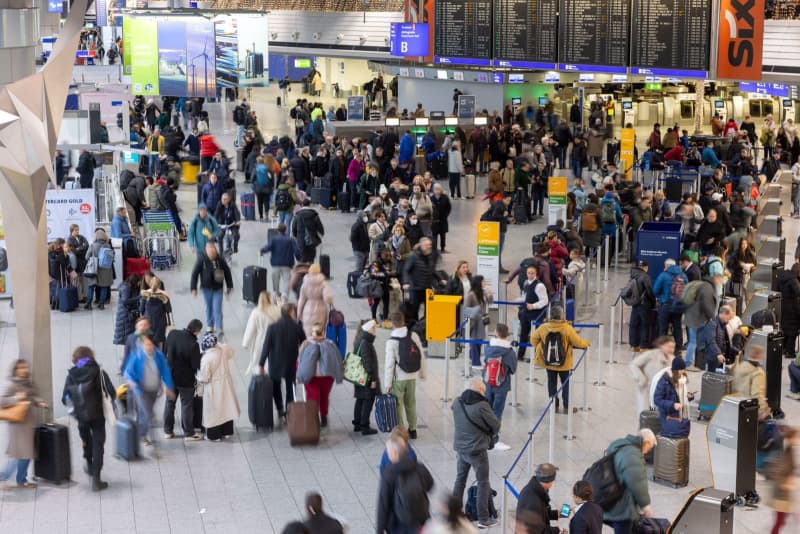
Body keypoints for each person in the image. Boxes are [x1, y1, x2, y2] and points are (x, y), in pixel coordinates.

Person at [61, 346, 115, 491]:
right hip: (97, 415)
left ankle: (89, 462)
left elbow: (64, 397)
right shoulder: (99, 372)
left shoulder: (71, 375)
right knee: (98, 445)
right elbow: (112, 392)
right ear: (91, 356)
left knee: (86, 441)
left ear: (75, 359)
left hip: (81, 417)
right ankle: (96, 479)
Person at [452, 377, 501, 529]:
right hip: (477, 450)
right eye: (483, 390)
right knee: (483, 482)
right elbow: (496, 425)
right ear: (479, 390)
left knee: (460, 480)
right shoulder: (481, 405)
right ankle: (483, 518)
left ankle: (454, 514)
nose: (484, 393)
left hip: (461, 449)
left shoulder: (457, 402)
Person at [531, 305, 591, 413]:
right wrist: (587, 343)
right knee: (565, 383)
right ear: (561, 315)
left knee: (551, 383)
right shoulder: (567, 328)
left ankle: (553, 405)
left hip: (549, 362)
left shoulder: (543, 327)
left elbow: (533, 340)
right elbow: (578, 342)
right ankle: (567, 407)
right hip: (564, 363)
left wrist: (541, 346)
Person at [123, 331, 176, 447]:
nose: (149, 347)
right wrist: (131, 381)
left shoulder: (158, 355)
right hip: (141, 390)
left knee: (146, 413)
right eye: (147, 345)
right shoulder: (137, 355)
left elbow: (165, 371)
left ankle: (142, 432)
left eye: (151, 344)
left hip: (153, 389)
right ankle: (145, 436)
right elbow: (128, 372)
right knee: (147, 413)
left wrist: (169, 387)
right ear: (142, 345)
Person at [0, 359, 46, 488]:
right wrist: (16, 398)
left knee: (25, 454)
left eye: (25, 367)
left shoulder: (29, 383)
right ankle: (9, 477)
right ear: (15, 370)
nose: (23, 370)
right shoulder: (12, 385)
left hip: (30, 424)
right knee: (23, 454)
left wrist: (39, 402)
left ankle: (21, 480)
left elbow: (33, 396)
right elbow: (2, 401)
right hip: (19, 425)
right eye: (20, 368)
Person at [376, 433, 434, 533]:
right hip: (419, 521)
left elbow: (383, 504)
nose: (387, 452)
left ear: (394, 453)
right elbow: (430, 485)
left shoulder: (389, 474)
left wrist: (379, 529)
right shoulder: (419, 467)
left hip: (396, 525)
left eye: (388, 450)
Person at [602, 429, 656, 534]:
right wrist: (645, 506)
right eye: (650, 447)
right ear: (646, 443)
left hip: (610, 497)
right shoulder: (632, 455)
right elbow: (637, 482)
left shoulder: (620, 444)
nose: (648, 451)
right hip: (622, 507)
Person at [259, 303, 306, 423]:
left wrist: (261, 364)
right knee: (291, 388)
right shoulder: (296, 327)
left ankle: (279, 408)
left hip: (275, 363)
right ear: (291, 312)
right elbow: (304, 343)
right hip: (291, 363)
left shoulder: (272, 327)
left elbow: (266, 346)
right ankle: (289, 412)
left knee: (276, 386)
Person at [384, 311, 426, 440]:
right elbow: (421, 355)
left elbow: (390, 364)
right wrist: (422, 372)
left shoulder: (391, 341)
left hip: (399, 378)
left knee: (398, 405)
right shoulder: (413, 335)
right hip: (412, 376)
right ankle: (413, 429)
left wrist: (388, 383)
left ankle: (401, 431)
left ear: (392, 324)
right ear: (403, 321)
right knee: (411, 403)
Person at [163, 319, 203, 441]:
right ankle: (189, 433)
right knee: (186, 405)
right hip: (185, 379)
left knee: (170, 403)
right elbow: (195, 365)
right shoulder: (193, 343)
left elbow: (165, 352)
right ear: (196, 331)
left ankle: (168, 431)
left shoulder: (172, 334)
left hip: (170, 376)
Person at [297, 325, 344, 427]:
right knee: (321, 397)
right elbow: (338, 360)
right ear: (323, 333)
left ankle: (319, 417)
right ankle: (321, 417)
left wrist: (299, 375)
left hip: (315, 378)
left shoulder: (306, 345)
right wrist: (338, 375)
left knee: (315, 397)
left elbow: (299, 361)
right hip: (322, 378)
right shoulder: (330, 344)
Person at [196, 332, 239, 441]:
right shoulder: (223, 350)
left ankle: (214, 435)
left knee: (214, 412)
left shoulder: (206, 358)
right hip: (226, 384)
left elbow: (204, 377)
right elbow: (231, 352)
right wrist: (219, 344)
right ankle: (227, 431)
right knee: (226, 408)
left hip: (213, 387)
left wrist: (197, 377)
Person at [190, 241, 234, 336]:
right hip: (206, 289)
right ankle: (210, 326)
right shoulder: (201, 259)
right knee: (209, 307)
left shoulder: (220, 260)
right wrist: (193, 288)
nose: (212, 251)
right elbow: (195, 274)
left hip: (218, 288)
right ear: (206, 250)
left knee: (217, 308)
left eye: (213, 249)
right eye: (209, 249)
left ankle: (219, 327)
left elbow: (227, 272)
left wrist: (229, 285)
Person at [630, 336, 676, 414]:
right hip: (647, 390)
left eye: (673, 347)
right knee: (648, 414)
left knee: (657, 415)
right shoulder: (651, 354)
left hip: (662, 393)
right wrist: (642, 379)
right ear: (662, 346)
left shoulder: (672, 359)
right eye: (669, 347)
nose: (671, 349)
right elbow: (634, 365)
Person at [766, 426, 797, 534]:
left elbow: (791, 466)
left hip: (783, 491)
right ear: (790, 438)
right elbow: (778, 472)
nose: (798, 440)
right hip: (780, 492)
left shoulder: (790, 449)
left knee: (782, 515)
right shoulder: (784, 452)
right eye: (796, 437)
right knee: (779, 520)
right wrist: (786, 483)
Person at [352, 320, 380, 435]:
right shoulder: (365, 343)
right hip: (366, 378)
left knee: (360, 399)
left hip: (359, 377)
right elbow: (368, 363)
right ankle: (365, 426)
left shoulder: (361, 339)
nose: (375, 330)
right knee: (368, 400)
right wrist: (373, 379)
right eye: (373, 328)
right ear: (367, 329)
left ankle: (357, 424)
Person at [653, 357, 693, 438]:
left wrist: (688, 396)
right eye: (681, 370)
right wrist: (672, 405)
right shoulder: (665, 381)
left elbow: (680, 397)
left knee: (681, 438)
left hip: (681, 416)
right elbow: (657, 400)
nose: (683, 372)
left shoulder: (682, 380)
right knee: (672, 440)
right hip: (669, 417)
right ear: (675, 370)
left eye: (684, 369)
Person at [517, 263, 549, 361]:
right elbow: (525, 296)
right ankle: (520, 355)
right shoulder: (526, 283)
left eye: (532, 273)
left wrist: (534, 306)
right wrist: (518, 300)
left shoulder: (539, 286)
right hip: (526, 313)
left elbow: (545, 300)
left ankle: (537, 357)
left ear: (536, 274)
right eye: (528, 273)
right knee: (523, 333)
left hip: (536, 314)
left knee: (536, 336)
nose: (530, 275)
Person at [516, 463, 562, 533]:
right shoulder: (533, 502)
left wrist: (557, 514)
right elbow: (539, 531)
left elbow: (540, 514)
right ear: (548, 482)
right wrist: (557, 530)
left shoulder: (536, 489)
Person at [243, 291, 281, 375]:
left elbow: (250, 328)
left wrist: (245, 343)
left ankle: (261, 378)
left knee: (260, 358)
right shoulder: (276, 309)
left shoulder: (256, 312)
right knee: (272, 359)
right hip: (275, 339)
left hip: (260, 339)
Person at [652, 259, 686, 348]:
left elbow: (655, 290)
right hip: (678, 306)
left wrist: (662, 295)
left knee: (663, 328)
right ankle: (678, 348)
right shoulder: (683, 275)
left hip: (665, 305)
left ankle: (662, 348)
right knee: (677, 328)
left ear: (666, 266)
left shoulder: (663, 275)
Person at [463, 275, 493, 368]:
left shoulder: (482, 292)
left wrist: (489, 294)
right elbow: (466, 309)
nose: (484, 283)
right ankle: (475, 362)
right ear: (478, 283)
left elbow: (490, 302)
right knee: (475, 340)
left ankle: (472, 357)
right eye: (483, 281)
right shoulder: (471, 294)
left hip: (481, 320)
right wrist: (476, 311)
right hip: (474, 321)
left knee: (479, 340)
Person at [296, 263, 334, 338]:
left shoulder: (305, 283)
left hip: (308, 309)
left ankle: (310, 346)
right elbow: (328, 298)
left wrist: (299, 313)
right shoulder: (323, 283)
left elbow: (301, 299)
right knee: (318, 334)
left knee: (309, 334)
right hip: (320, 309)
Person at [260, 223, 296, 300]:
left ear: (278, 230)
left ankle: (276, 293)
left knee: (275, 280)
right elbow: (296, 251)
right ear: (285, 230)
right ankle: (285, 295)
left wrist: (261, 251)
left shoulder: (274, 239)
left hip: (275, 264)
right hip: (287, 264)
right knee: (286, 281)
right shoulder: (290, 240)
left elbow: (268, 247)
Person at [732, 345, 770, 418]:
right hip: (750, 409)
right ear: (760, 356)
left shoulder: (740, 366)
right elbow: (757, 394)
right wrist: (763, 409)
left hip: (737, 405)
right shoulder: (758, 372)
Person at [627, 261, 656, 352]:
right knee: (645, 325)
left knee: (634, 324)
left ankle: (634, 345)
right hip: (644, 304)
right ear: (645, 267)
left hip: (635, 304)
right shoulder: (645, 276)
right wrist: (653, 302)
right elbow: (650, 291)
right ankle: (643, 346)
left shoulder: (633, 275)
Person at [84, 228, 114, 310]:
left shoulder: (93, 245)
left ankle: (89, 304)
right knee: (104, 287)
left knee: (91, 287)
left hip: (94, 269)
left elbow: (86, 257)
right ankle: (101, 304)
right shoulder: (108, 245)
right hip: (105, 269)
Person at [139, 275, 171, 348]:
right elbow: (168, 310)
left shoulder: (145, 294)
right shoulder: (164, 296)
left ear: (150, 284)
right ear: (159, 285)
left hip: (147, 321)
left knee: (147, 340)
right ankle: (159, 356)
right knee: (160, 341)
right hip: (160, 322)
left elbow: (141, 309)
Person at [292, 199, 325, 263]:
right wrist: (320, 235)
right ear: (309, 205)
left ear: (302, 205)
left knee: (302, 259)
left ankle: (302, 270)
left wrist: (297, 236)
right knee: (311, 259)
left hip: (301, 240)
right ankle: (311, 270)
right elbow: (320, 228)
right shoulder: (314, 215)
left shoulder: (297, 215)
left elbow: (294, 228)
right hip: (312, 240)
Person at [113, 275, 142, 346]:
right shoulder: (126, 288)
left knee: (130, 337)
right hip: (125, 315)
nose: (139, 284)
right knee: (127, 337)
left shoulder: (130, 286)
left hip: (128, 315)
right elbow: (125, 301)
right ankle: (127, 354)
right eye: (138, 282)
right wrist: (139, 297)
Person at [430, 183, 452, 253]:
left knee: (443, 235)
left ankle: (443, 248)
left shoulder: (445, 197)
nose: (437, 190)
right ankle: (434, 249)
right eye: (435, 189)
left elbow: (449, 207)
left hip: (443, 219)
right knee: (434, 235)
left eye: (438, 189)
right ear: (433, 190)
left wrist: (446, 215)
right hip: (434, 220)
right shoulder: (431, 198)